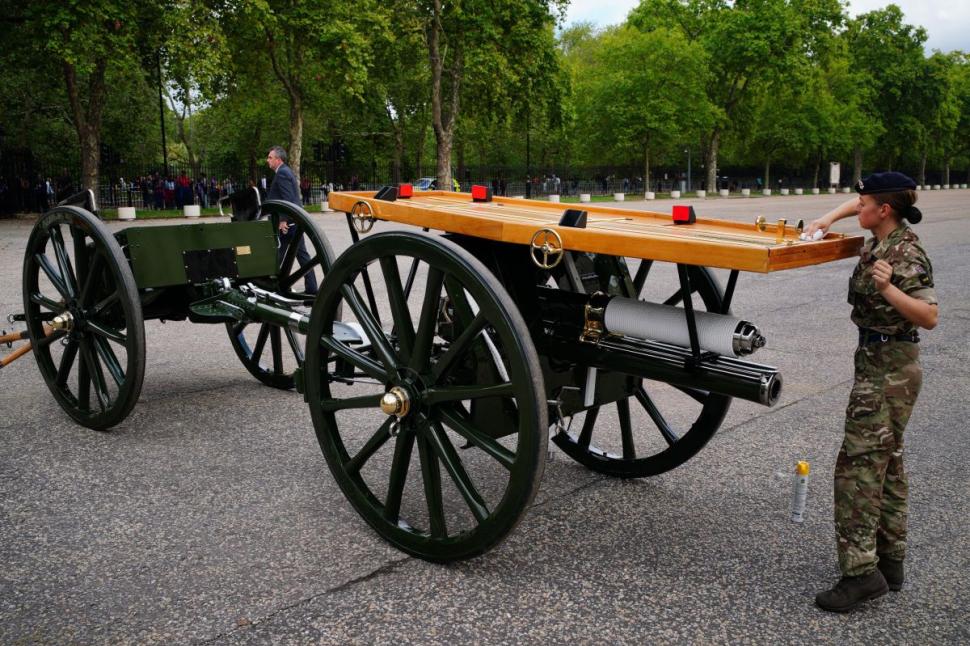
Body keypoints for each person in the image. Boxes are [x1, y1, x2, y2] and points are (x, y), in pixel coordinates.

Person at [806, 171, 939, 613]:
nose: (855, 207)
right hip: (882, 363)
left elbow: (929, 315)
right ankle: (891, 561)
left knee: (858, 469)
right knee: (889, 463)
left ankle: (860, 575)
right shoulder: (885, 235)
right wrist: (826, 219)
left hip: (888, 369)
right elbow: (855, 203)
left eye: (863, 203)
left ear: (884, 210)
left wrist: (887, 289)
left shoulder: (904, 253)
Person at [266, 145, 317, 295]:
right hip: (294, 222)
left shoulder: (282, 173)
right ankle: (312, 288)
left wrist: (283, 220)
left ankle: (273, 286)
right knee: (301, 256)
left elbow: (288, 199)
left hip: (288, 223)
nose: (267, 160)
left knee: (278, 255)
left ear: (278, 159)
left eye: (270, 157)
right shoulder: (284, 172)